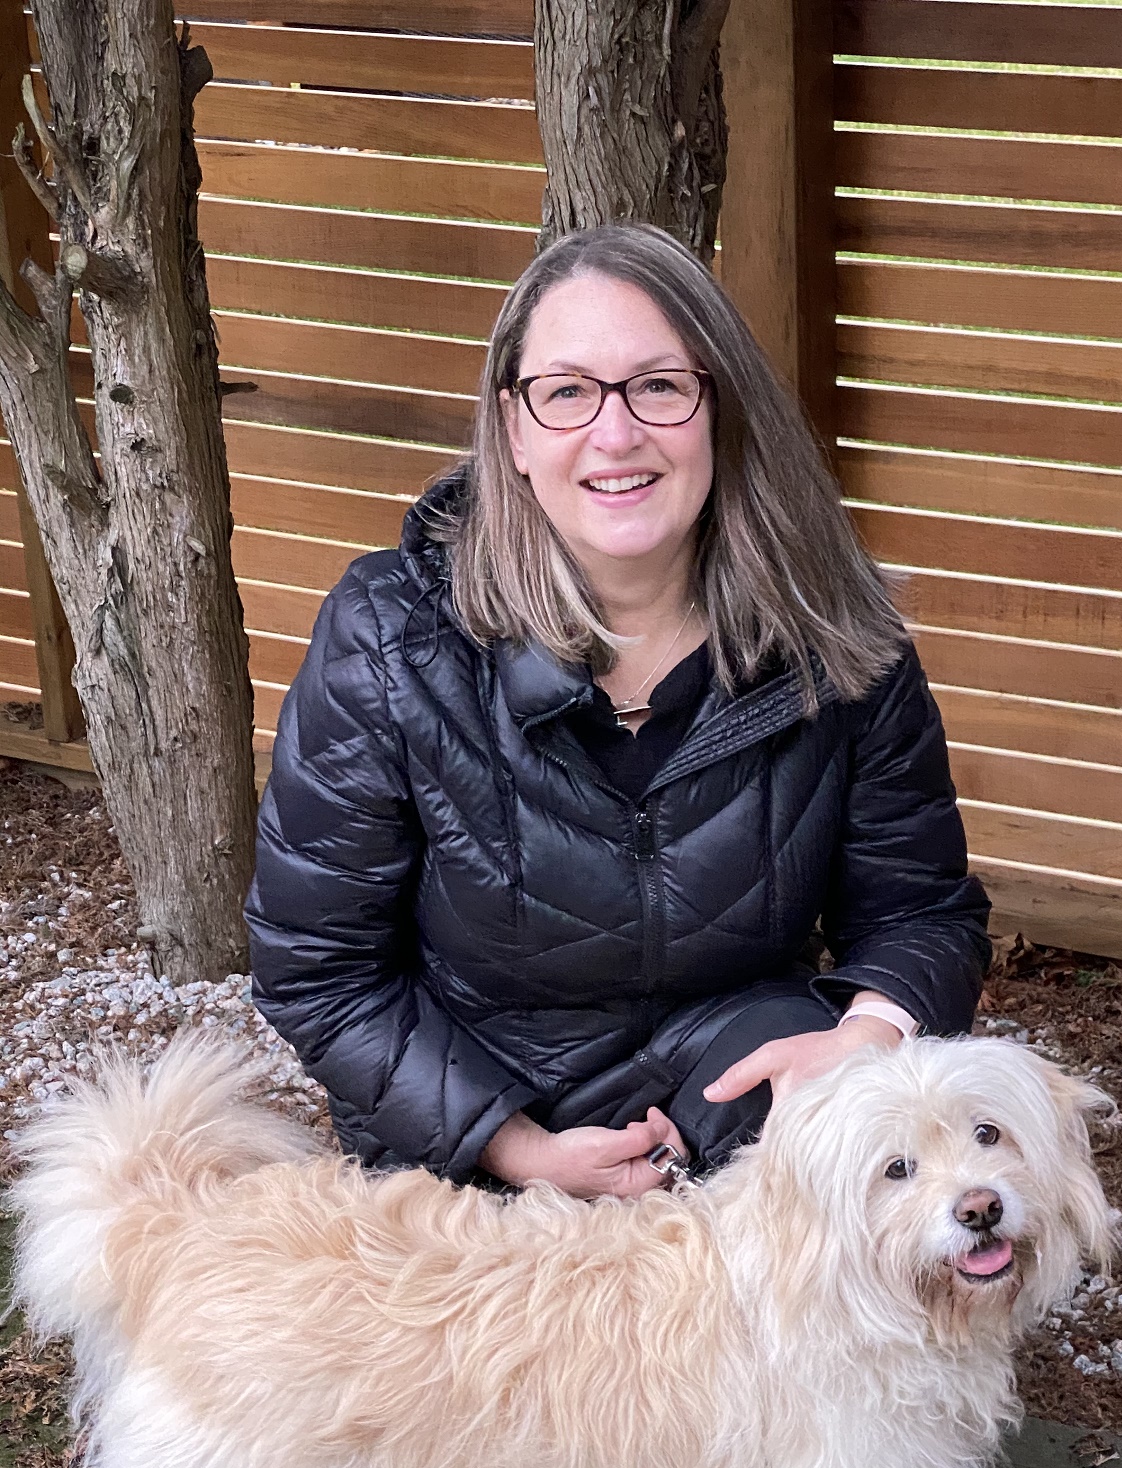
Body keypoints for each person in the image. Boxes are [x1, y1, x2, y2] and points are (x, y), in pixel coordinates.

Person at [246, 223, 991, 1199]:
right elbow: (321, 969)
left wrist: (856, 1043)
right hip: (469, 1130)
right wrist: (517, 1150)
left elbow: (921, 913)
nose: (616, 433)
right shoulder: (390, 639)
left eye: (659, 385)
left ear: (718, 406)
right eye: (566, 392)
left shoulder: (838, 631)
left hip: (748, 1105)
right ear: (512, 430)